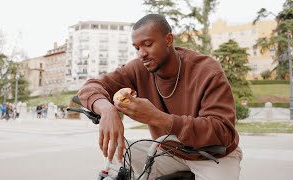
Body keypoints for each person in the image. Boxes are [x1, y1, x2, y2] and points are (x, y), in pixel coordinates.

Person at [78, 14, 242, 179]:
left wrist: (158, 118)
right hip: (170, 151)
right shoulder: (138, 68)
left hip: (213, 155)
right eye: (137, 48)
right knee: (119, 156)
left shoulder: (207, 71)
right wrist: (106, 110)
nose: (141, 54)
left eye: (148, 44)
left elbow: (223, 133)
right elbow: (89, 87)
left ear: (169, 40)